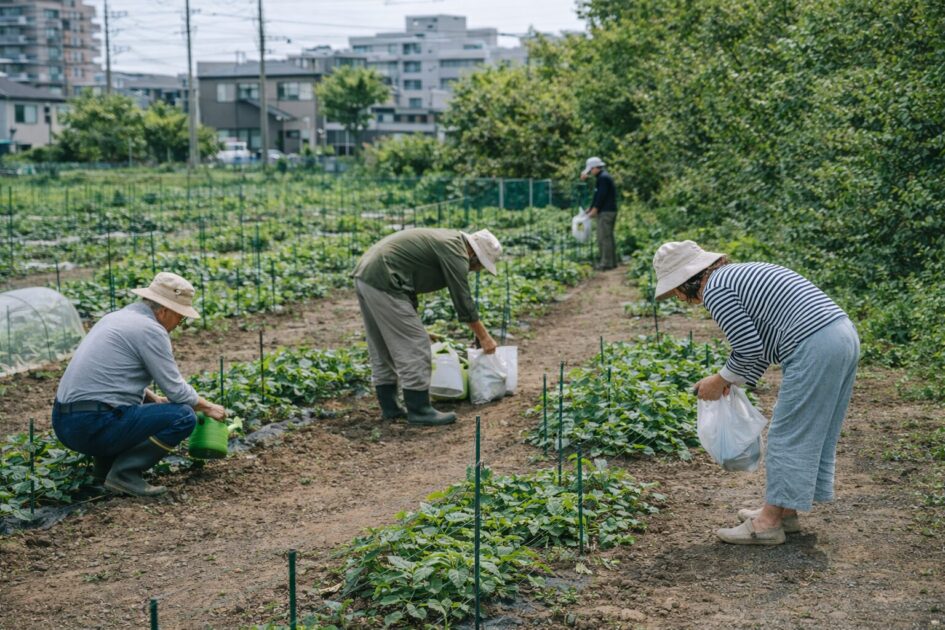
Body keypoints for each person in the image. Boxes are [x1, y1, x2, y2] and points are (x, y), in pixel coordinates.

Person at [653, 240, 859, 545]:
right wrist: (729, 381)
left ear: (687, 281)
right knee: (809, 430)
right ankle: (784, 511)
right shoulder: (733, 276)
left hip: (815, 344)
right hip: (840, 335)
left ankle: (767, 525)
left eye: (676, 292)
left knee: (787, 432)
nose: (682, 299)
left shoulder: (716, 290)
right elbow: (759, 344)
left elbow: (748, 348)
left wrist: (720, 379)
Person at [52, 272, 227, 497]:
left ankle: (102, 475)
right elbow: (176, 390)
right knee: (183, 416)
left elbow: (112, 378)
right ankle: (125, 475)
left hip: (65, 421)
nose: (178, 324)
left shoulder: (115, 318)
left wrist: (153, 399)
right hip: (92, 425)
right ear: (165, 310)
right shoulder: (150, 329)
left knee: (129, 411)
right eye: (180, 318)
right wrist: (208, 407)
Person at [353, 228, 502, 426]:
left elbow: (409, 285)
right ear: (474, 254)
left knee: (381, 345)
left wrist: (415, 322)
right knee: (415, 345)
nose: (475, 270)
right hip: (385, 279)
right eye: (479, 266)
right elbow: (463, 300)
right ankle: (420, 410)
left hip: (367, 275)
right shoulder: (457, 252)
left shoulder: (448, 241)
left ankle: (391, 408)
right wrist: (484, 336)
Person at [580, 156, 618, 270]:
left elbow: (601, 196)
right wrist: (591, 208)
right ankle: (611, 262)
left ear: (596, 167)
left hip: (606, 212)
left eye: (591, 170)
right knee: (607, 237)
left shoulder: (603, 178)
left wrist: (595, 209)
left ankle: (606, 263)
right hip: (608, 210)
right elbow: (597, 195)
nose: (590, 172)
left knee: (604, 237)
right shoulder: (602, 177)